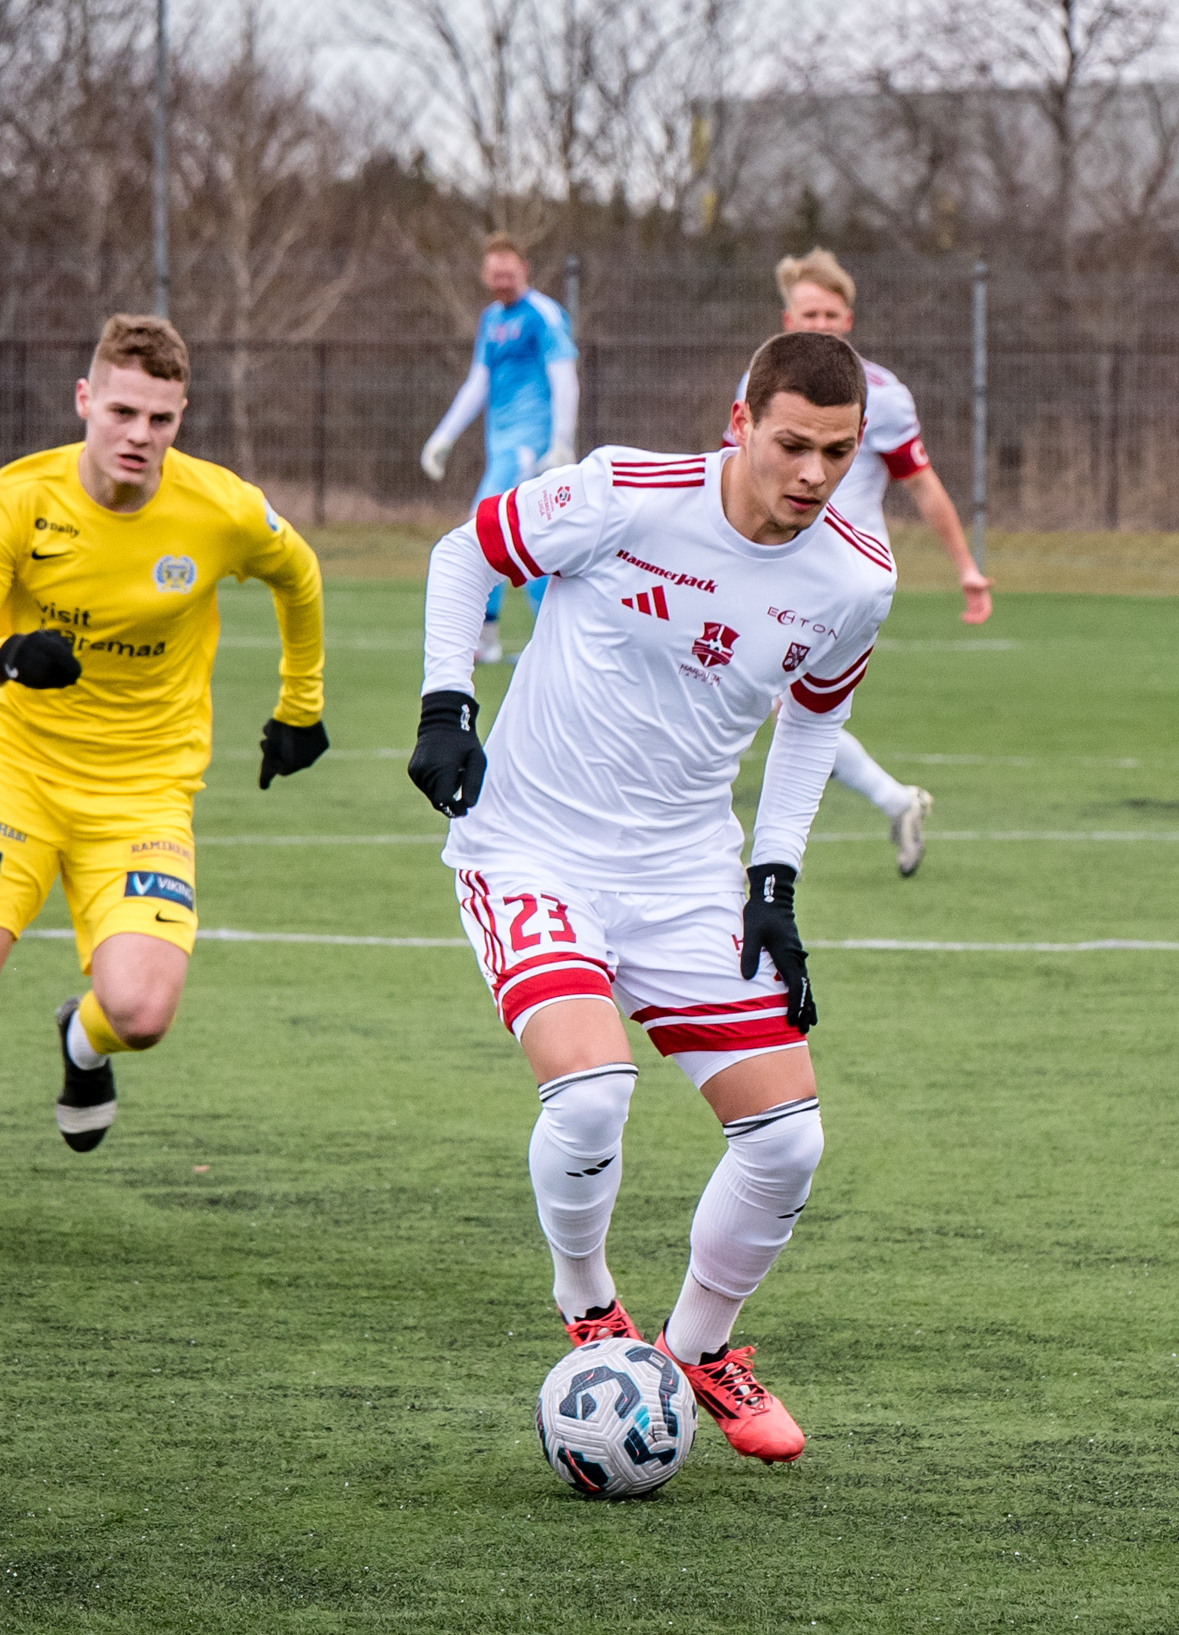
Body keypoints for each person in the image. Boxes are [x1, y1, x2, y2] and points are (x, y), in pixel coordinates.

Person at [406, 329, 896, 1463]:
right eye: (790, 445)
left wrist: (774, 876)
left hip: (685, 873)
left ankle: (700, 1345)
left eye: (836, 450)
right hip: (530, 847)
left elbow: (816, 717)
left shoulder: (857, 578)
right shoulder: (626, 491)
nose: (812, 475)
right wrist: (446, 705)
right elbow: (460, 554)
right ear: (740, 424)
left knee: (788, 1142)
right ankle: (590, 1309)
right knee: (588, 1099)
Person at [0, 315, 329, 1248]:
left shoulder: (219, 509)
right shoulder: (20, 498)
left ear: (181, 419)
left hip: (142, 796)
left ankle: (81, 1039)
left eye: (162, 419)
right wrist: (7, 655)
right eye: (124, 411)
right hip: (15, 778)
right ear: (86, 401)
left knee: (142, 1012)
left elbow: (299, 575)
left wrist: (302, 708)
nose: (141, 436)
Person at [730, 247, 990, 876]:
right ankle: (894, 800)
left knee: (766, 696)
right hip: (769, 566)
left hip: (840, 583)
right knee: (764, 697)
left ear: (847, 320)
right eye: (807, 311)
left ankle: (715, 834)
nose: (818, 322)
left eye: (830, 312)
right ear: (787, 318)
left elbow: (923, 486)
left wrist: (966, 567)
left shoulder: (881, 396)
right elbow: (732, 480)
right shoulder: (757, 388)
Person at [420, 234, 579, 663]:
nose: (502, 276)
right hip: (501, 444)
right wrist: (444, 437)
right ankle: (550, 637)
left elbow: (564, 375)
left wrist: (562, 441)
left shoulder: (543, 314)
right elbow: (479, 382)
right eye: (495, 269)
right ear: (485, 274)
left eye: (509, 268)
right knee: (532, 542)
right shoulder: (491, 319)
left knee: (483, 524)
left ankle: (486, 637)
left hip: (532, 447)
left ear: (524, 268)